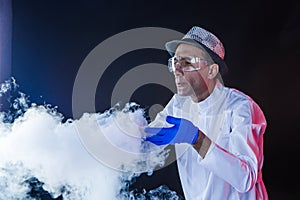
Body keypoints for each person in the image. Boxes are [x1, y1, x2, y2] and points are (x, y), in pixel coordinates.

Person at [144, 26, 268, 199]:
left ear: (211, 71)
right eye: (175, 63)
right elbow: (146, 146)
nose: (177, 71)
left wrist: (197, 139)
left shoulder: (241, 107)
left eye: (187, 63)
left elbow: (245, 178)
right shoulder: (178, 104)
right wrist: (119, 134)